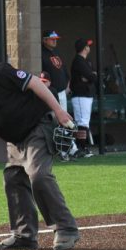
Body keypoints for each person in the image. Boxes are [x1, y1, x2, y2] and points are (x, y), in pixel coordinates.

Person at [0, 42, 80, 250]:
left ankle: (66, 229)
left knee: (38, 175)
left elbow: (36, 83)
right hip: (14, 138)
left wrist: (59, 111)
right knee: (13, 178)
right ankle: (24, 235)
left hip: (37, 125)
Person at [41, 30, 77, 159]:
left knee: (65, 121)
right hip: (51, 94)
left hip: (62, 91)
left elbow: (64, 70)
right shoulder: (41, 54)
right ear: (45, 40)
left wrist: (67, 86)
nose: (54, 41)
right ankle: (66, 150)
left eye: (56, 39)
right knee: (59, 122)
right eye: (52, 39)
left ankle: (69, 149)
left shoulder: (56, 53)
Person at [69, 38, 97, 157]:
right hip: (80, 95)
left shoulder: (85, 61)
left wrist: (90, 77)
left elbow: (93, 76)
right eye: (87, 46)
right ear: (84, 48)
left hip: (86, 95)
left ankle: (82, 147)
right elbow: (91, 76)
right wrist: (90, 77)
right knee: (82, 122)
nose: (88, 47)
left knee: (84, 122)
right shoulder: (79, 61)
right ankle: (81, 148)